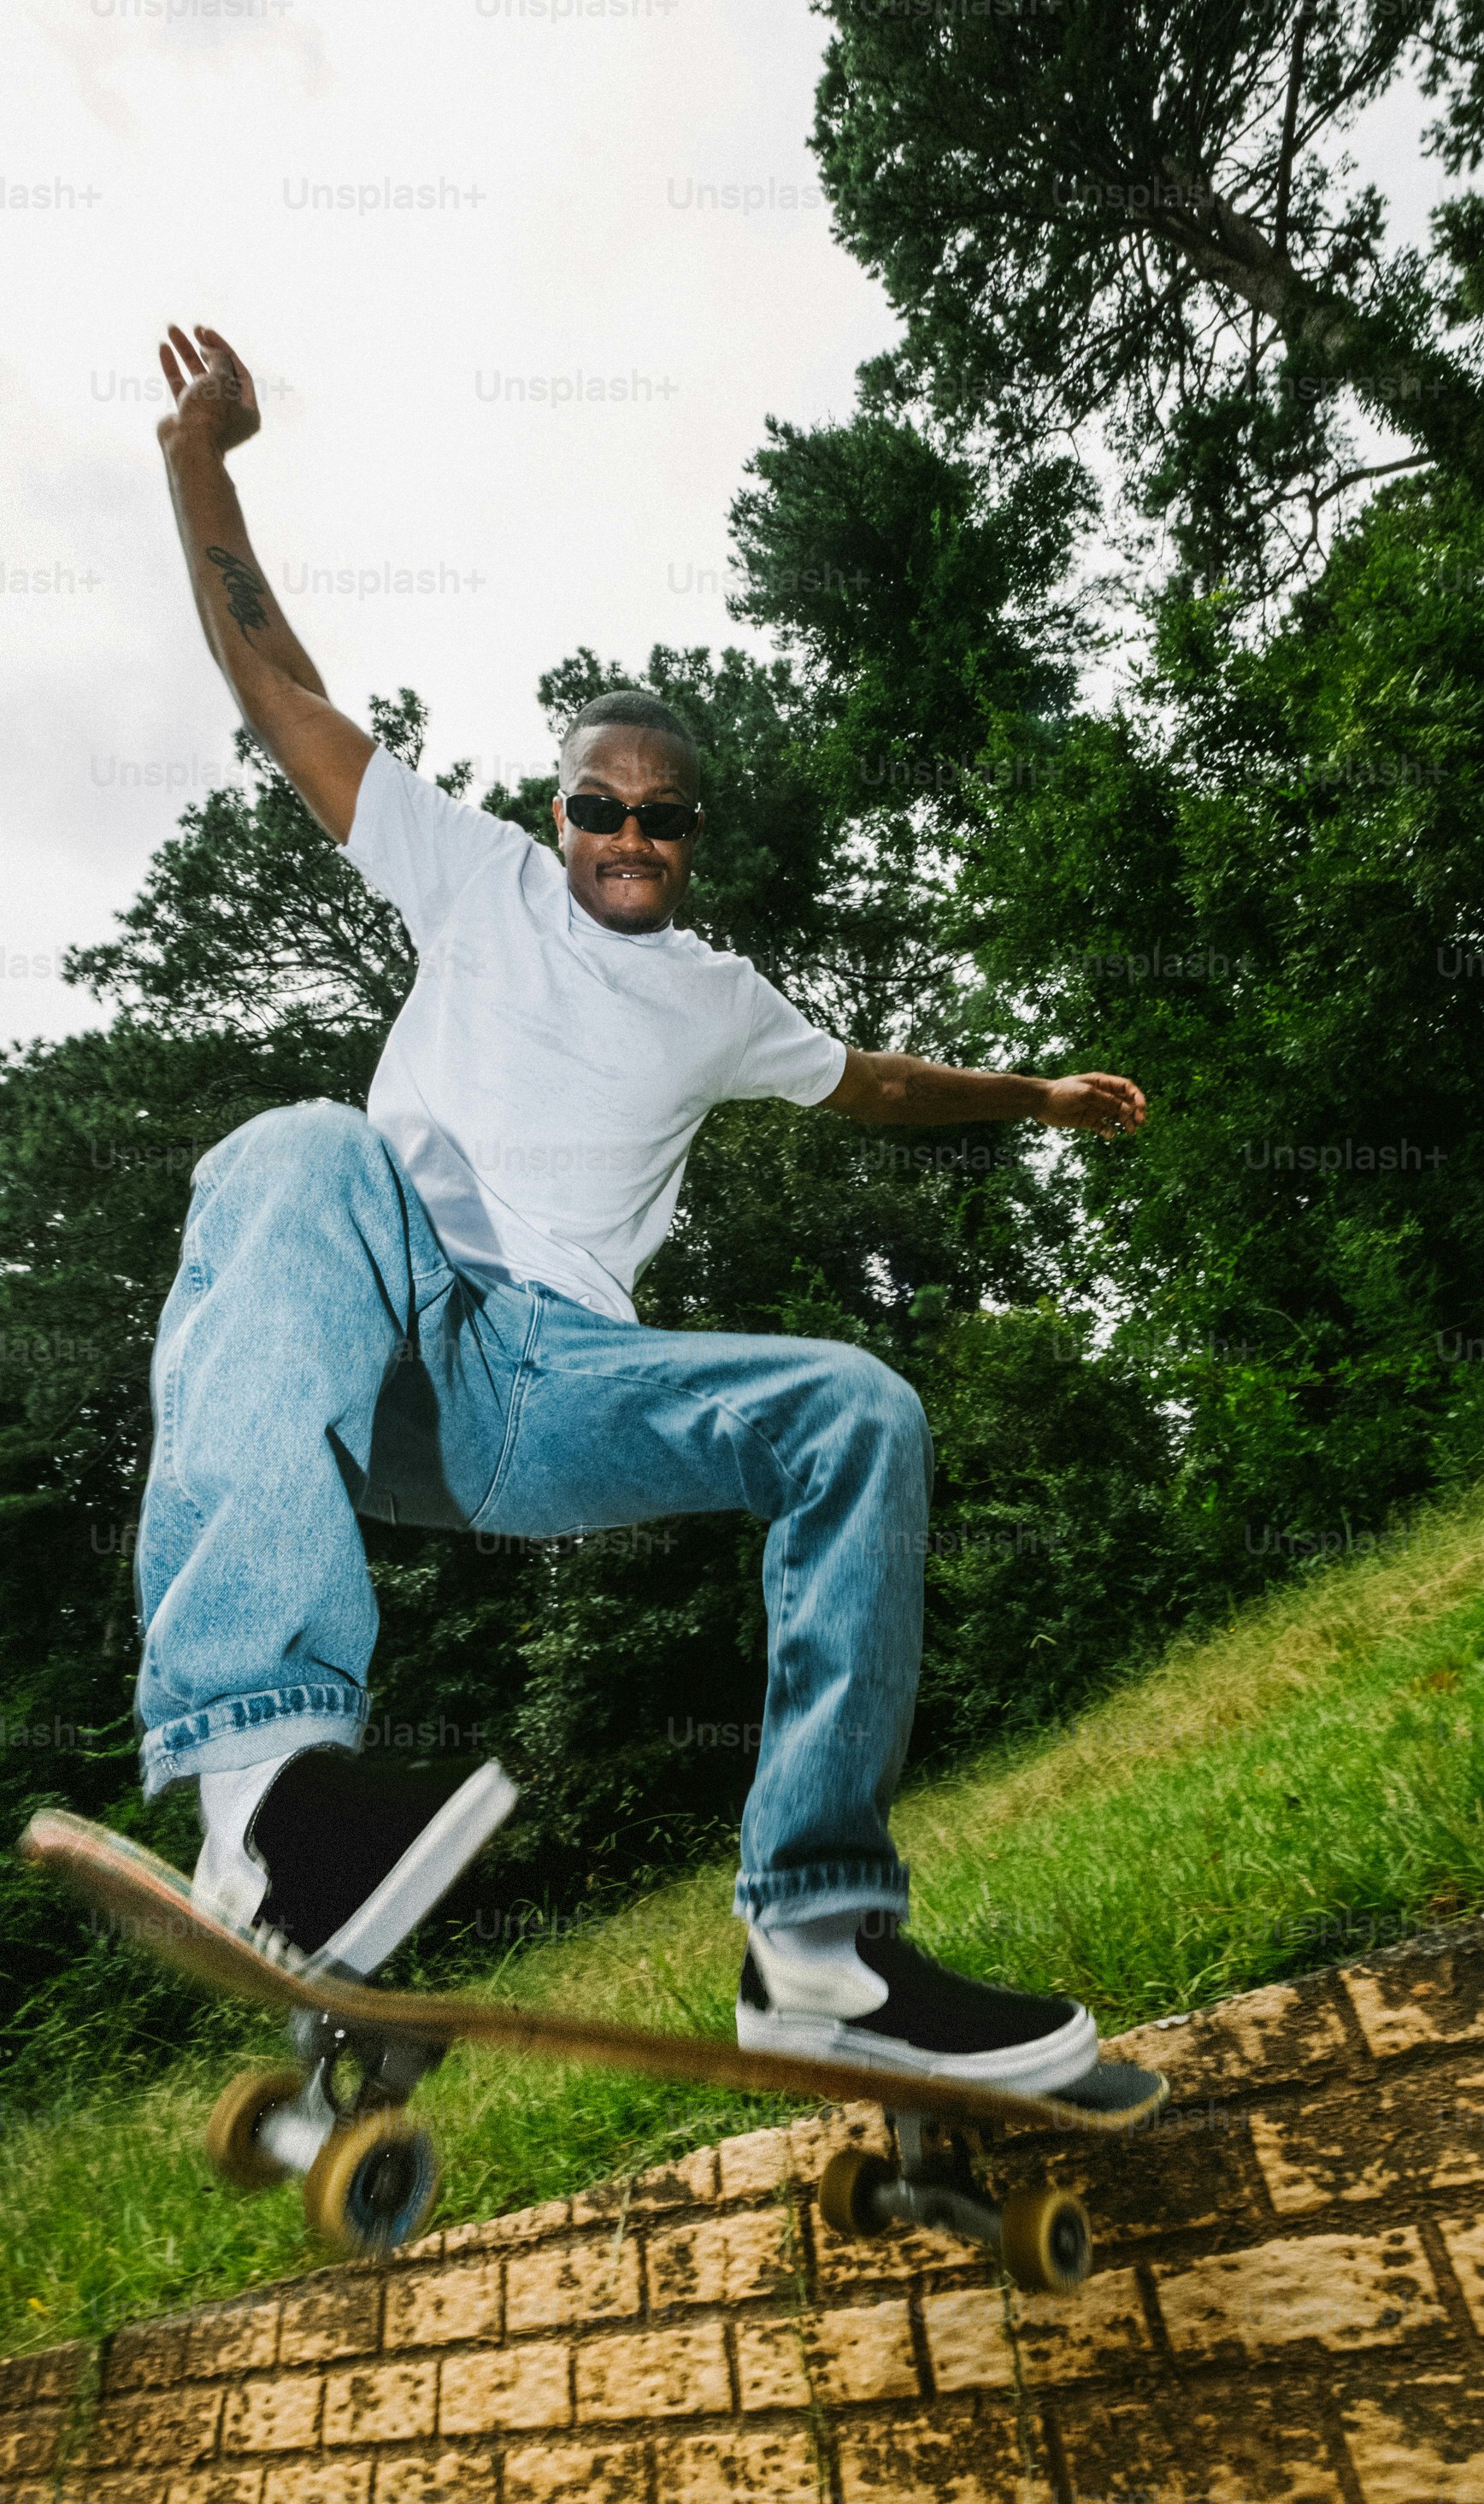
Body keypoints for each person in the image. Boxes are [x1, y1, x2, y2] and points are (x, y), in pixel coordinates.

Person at [140, 323, 1147, 2095]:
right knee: (300, 1144)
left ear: (690, 838)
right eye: (597, 807)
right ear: (557, 806)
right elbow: (279, 684)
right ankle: (273, 1811)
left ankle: (820, 1945)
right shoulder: (470, 874)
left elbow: (874, 1083)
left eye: (658, 821)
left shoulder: (722, 996)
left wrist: (1035, 1096)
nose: (624, 837)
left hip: (550, 1393)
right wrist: (196, 464)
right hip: (367, 1328)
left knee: (857, 1407)